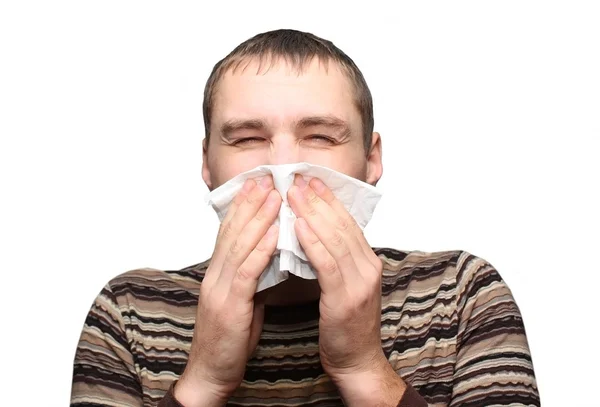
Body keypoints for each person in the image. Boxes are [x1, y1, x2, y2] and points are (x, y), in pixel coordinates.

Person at [70, 29, 540, 406]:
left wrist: (364, 370)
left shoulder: (458, 295)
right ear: (207, 165)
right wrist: (203, 383)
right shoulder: (130, 311)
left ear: (370, 160)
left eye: (320, 136)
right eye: (247, 139)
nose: (284, 168)